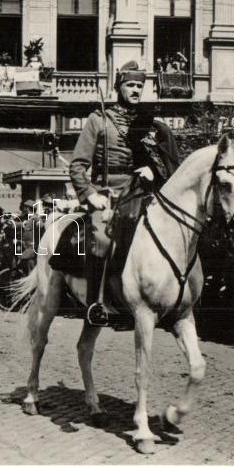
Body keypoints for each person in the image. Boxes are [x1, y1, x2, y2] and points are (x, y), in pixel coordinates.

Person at [68, 60, 181, 321]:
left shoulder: (148, 121)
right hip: (105, 191)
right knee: (102, 239)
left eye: (139, 86)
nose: (135, 90)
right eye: (130, 85)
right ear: (119, 87)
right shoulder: (99, 120)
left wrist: (154, 170)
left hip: (138, 189)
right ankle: (96, 302)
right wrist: (89, 194)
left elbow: (163, 158)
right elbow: (77, 165)